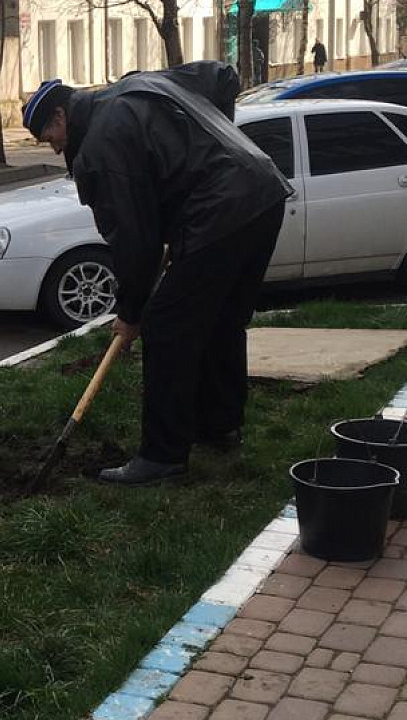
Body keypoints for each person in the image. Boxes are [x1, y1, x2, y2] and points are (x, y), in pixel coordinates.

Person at [21, 63, 293, 485]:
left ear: (60, 116)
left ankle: (162, 457)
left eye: (48, 138)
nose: (53, 148)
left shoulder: (100, 146)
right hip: (262, 191)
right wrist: (216, 143)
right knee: (222, 321)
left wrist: (130, 314)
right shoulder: (140, 83)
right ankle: (219, 426)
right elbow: (223, 77)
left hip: (219, 213)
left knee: (166, 326)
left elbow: (135, 243)